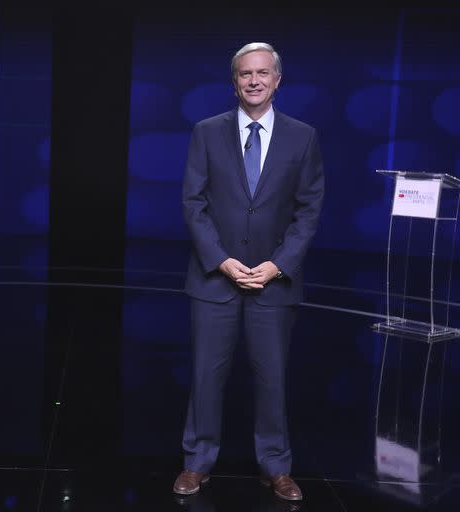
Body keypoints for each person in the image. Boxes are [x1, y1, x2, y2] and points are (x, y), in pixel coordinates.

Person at [173, 42, 324, 501]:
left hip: (273, 282)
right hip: (214, 278)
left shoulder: (303, 137)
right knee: (205, 376)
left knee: (272, 378)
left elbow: (309, 209)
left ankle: (276, 467)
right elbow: (193, 202)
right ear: (234, 82)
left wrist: (277, 265)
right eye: (245, 74)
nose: (254, 80)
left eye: (262, 73)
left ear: (277, 80)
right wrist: (221, 260)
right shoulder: (206, 132)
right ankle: (197, 462)